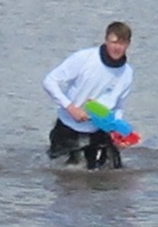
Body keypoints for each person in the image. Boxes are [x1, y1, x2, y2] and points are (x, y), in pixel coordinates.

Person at [43, 22, 137, 168]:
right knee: (64, 178)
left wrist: (117, 130)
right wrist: (71, 108)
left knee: (112, 175)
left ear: (128, 45)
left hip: (100, 131)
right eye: (114, 42)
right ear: (106, 40)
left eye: (122, 43)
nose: (117, 47)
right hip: (68, 128)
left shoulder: (127, 73)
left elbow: (119, 106)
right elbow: (50, 81)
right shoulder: (84, 58)